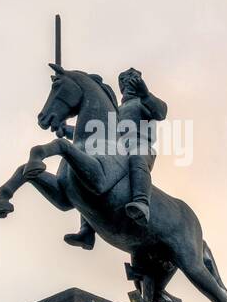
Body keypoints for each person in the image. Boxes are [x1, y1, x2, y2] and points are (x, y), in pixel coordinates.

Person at [63, 67, 167, 248]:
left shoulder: (144, 103)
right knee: (91, 170)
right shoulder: (114, 111)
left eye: (133, 79)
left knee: (137, 158)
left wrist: (146, 93)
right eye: (124, 82)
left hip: (140, 146)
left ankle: (141, 202)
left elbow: (161, 112)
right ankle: (87, 230)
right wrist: (67, 130)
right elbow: (97, 131)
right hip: (117, 151)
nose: (128, 84)